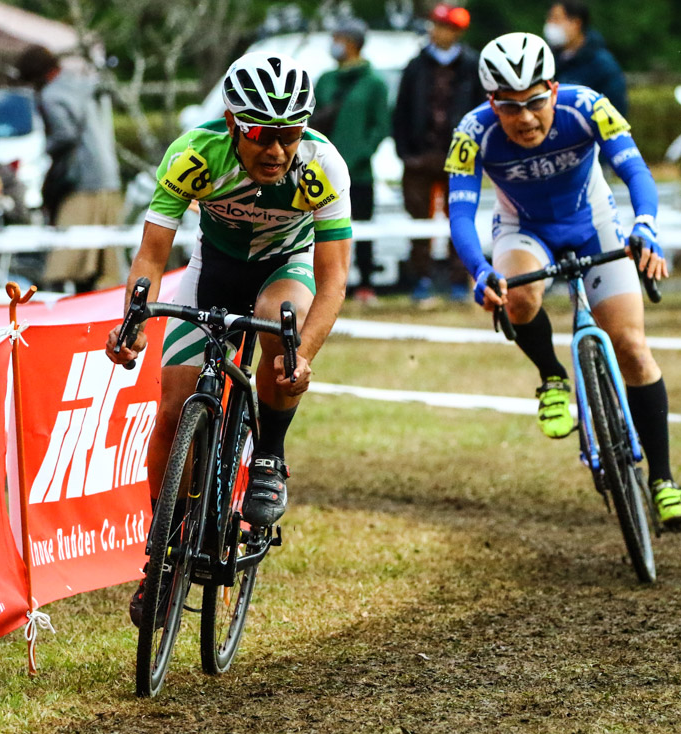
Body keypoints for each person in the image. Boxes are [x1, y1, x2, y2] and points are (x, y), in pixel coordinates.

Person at [105, 53, 352, 626]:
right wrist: (133, 321)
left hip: (284, 267)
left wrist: (305, 358)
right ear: (233, 123)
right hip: (212, 269)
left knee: (281, 322)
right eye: (263, 134)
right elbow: (152, 253)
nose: (277, 150)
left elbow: (335, 277)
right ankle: (161, 560)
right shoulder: (196, 154)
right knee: (171, 412)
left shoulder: (320, 165)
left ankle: (269, 452)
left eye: (289, 134)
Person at [445, 32, 681, 529]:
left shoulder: (589, 107)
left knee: (632, 347)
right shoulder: (472, 132)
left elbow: (637, 172)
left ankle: (663, 480)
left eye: (536, 102)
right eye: (509, 107)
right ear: (491, 101)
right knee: (516, 296)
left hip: (594, 224)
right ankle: (553, 378)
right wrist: (480, 270)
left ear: (554, 90)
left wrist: (644, 224)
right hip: (524, 230)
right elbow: (459, 213)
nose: (525, 118)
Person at [16, 45, 123, 293]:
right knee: (101, 266)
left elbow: (65, 135)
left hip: (80, 182)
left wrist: (44, 151)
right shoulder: (82, 83)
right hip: (108, 176)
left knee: (66, 262)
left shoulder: (52, 94)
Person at [392, 3, 479, 306]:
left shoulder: (471, 66)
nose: (438, 32)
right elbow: (400, 111)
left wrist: (472, 150)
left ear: (456, 32)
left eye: (445, 27)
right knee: (418, 220)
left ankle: (459, 281)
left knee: (460, 217)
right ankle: (422, 280)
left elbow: (480, 110)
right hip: (420, 157)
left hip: (458, 156)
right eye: (436, 25)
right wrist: (405, 153)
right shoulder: (416, 66)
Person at [314, 18, 389, 304]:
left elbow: (380, 127)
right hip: (319, 171)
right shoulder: (325, 80)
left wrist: (360, 154)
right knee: (319, 230)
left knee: (363, 227)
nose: (334, 44)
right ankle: (320, 283)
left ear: (353, 43)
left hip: (358, 172)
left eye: (339, 38)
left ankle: (366, 283)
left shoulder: (374, 84)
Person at [543, 1, 627, 117]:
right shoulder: (548, 61)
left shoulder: (602, 66)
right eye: (549, 18)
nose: (550, 24)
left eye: (556, 19)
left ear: (576, 23)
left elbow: (615, 112)